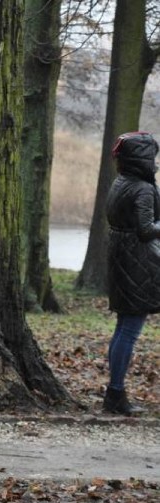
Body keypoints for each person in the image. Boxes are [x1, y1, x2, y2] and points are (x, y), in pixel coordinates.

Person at [103, 131, 160, 416]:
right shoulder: (143, 188)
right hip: (137, 266)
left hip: (122, 261)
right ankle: (115, 393)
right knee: (129, 330)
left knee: (124, 327)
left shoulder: (121, 182)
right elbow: (146, 229)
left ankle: (114, 391)